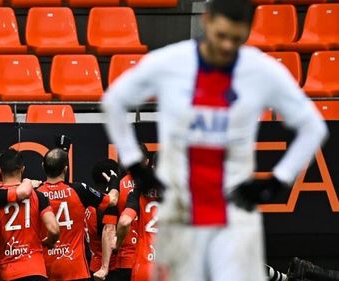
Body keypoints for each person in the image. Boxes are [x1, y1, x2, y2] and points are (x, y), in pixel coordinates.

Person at [101, 0, 328, 279]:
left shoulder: (260, 70)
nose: (227, 46)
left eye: (237, 38)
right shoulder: (171, 62)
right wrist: (136, 168)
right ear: (206, 21)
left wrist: (276, 180)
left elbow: (312, 127)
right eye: (221, 36)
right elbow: (114, 101)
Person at [37, 148, 120, 281]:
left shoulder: (36, 193)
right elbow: (113, 200)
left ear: (42, 166)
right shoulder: (79, 190)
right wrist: (114, 181)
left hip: (45, 269)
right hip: (75, 269)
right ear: (65, 168)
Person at [0, 148, 60, 281]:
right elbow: (54, 229)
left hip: (7, 272)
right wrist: (48, 242)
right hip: (35, 269)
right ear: (22, 169)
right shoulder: (38, 196)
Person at [109, 144, 150, 281]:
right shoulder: (157, 186)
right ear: (147, 162)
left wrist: (117, 243)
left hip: (126, 258)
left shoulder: (118, 187)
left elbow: (113, 223)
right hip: (152, 255)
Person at [87, 159, 120, 281]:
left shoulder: (88, 203)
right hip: (110, 270)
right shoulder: (108, 206)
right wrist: (105, 268)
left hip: (93, 267)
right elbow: (109, 229)